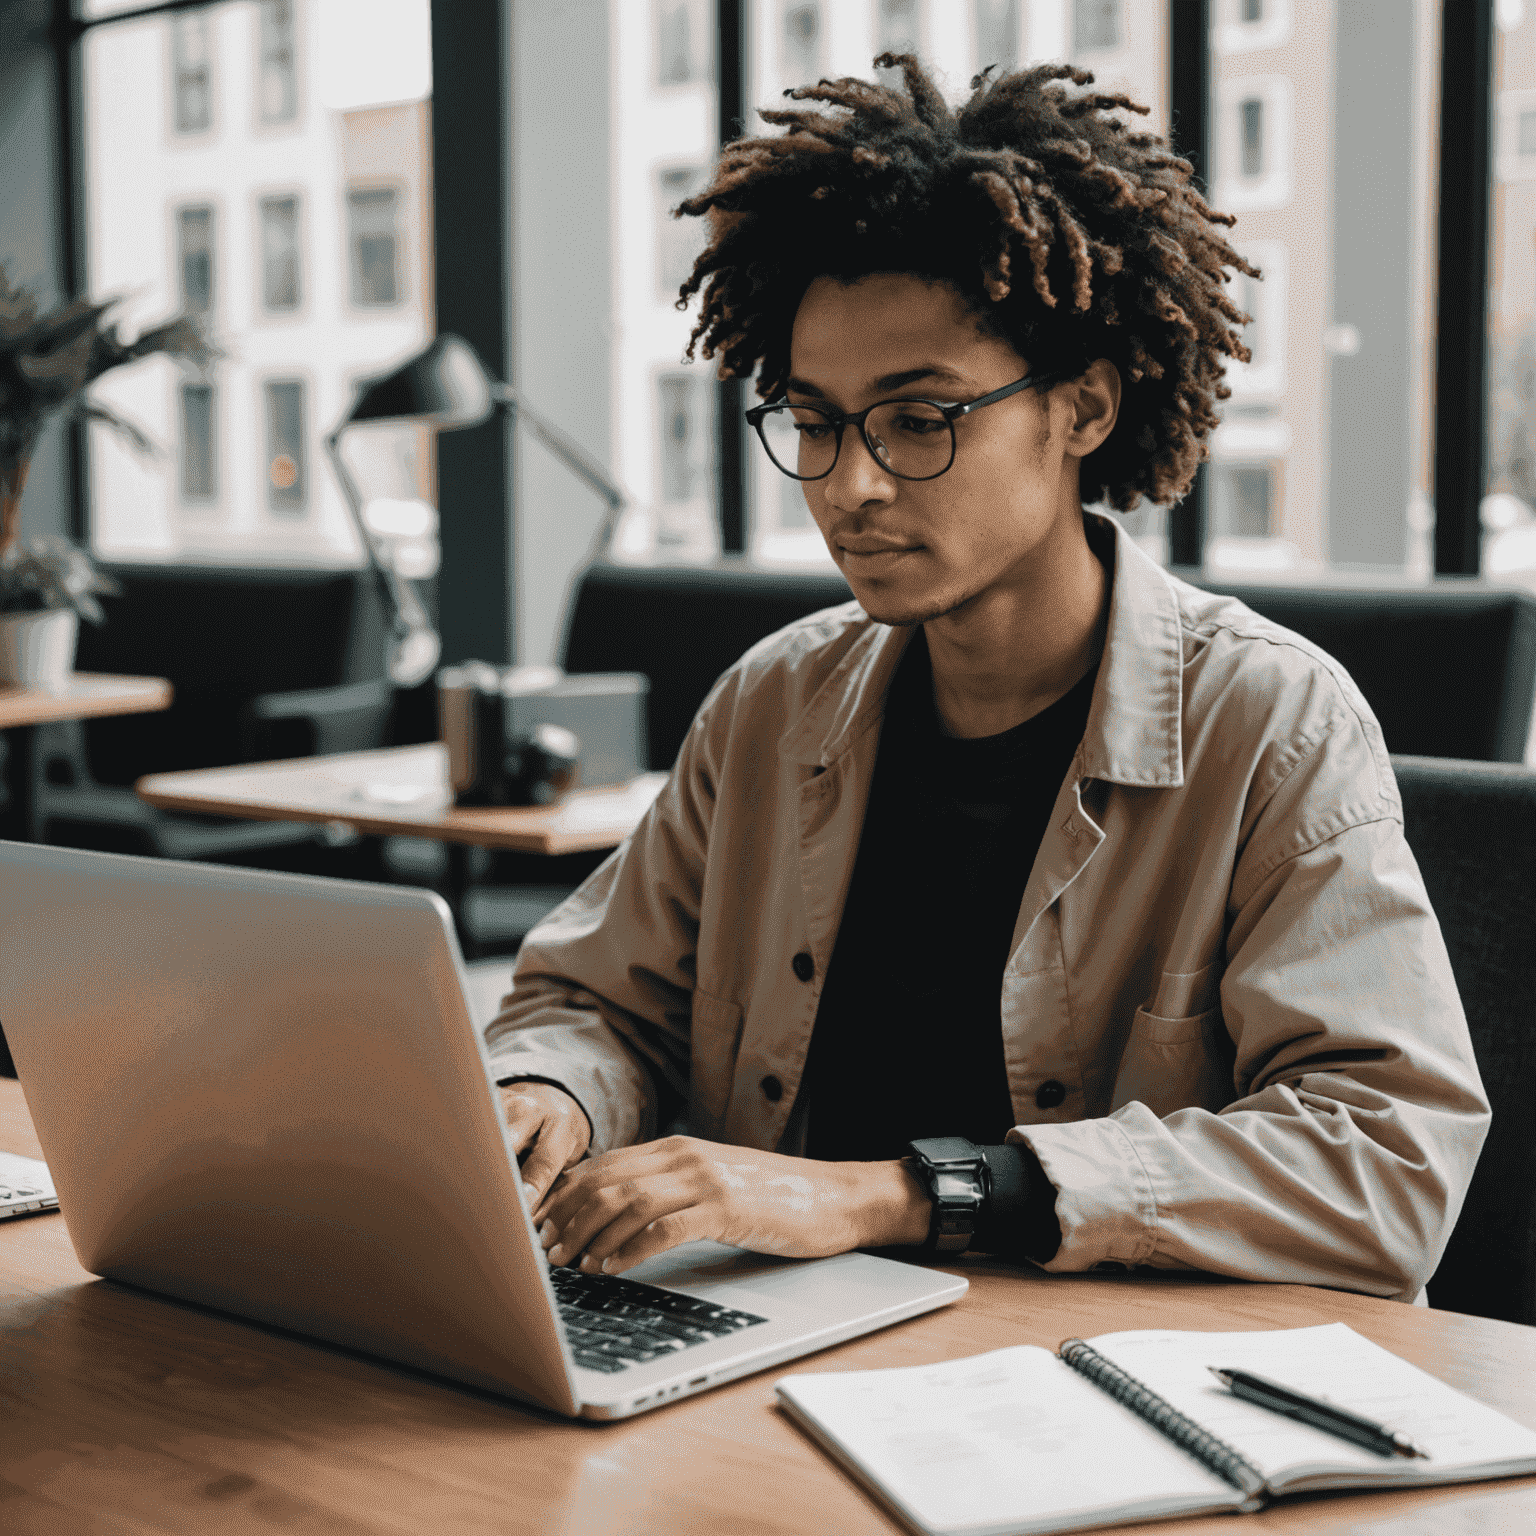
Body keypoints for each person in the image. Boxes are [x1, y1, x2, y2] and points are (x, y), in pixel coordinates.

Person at [486, 55, 1488, 1301]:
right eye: (814, 420)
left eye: (920, 419)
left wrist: (894, 1193)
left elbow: (1388, 1160)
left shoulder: (1270, 723)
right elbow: (599, 1000)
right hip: (762, 1338)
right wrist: (552, 1094)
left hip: (1080, 1387)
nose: (849, 485)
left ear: (1083, 408)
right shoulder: (770, 702)